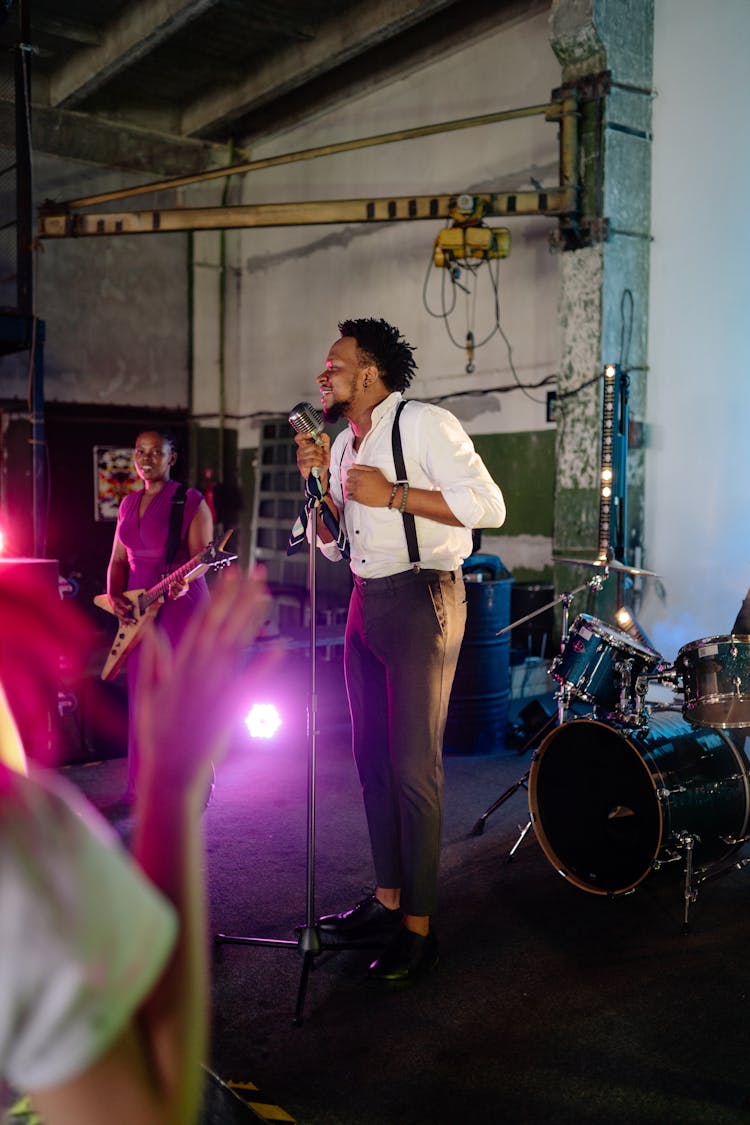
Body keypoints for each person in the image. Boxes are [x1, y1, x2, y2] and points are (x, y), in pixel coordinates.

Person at [0, 564, 270, 1125]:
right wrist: (171, 784)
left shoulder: (186, 503)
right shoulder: (20, 849)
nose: (144, 465)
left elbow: (197, 559)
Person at [293, 317, 506, 986]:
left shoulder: (424, 424)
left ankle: (419, 930)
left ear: (369, 373)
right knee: (371, 760)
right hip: (364, 601)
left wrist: (396, 494)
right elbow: (330, 542)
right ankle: (387, 902)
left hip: (422, 599)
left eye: (335, 364)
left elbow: (490, 505)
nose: (323, 374)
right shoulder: (341, 445)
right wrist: (317, 490)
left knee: (415, 768)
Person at [106, 429, 214, 801]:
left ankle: (188, 784)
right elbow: (119, 559)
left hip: (179, 605)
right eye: (141, 451)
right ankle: (144, 785)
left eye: (157, 451)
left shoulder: (190, 500)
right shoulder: (126, 503)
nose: (147, 458)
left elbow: (203, 558)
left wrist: (184, 582)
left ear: (173, 457)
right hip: (138, 608)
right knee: (143, 696)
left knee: (177, 692)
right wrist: (113, 595)